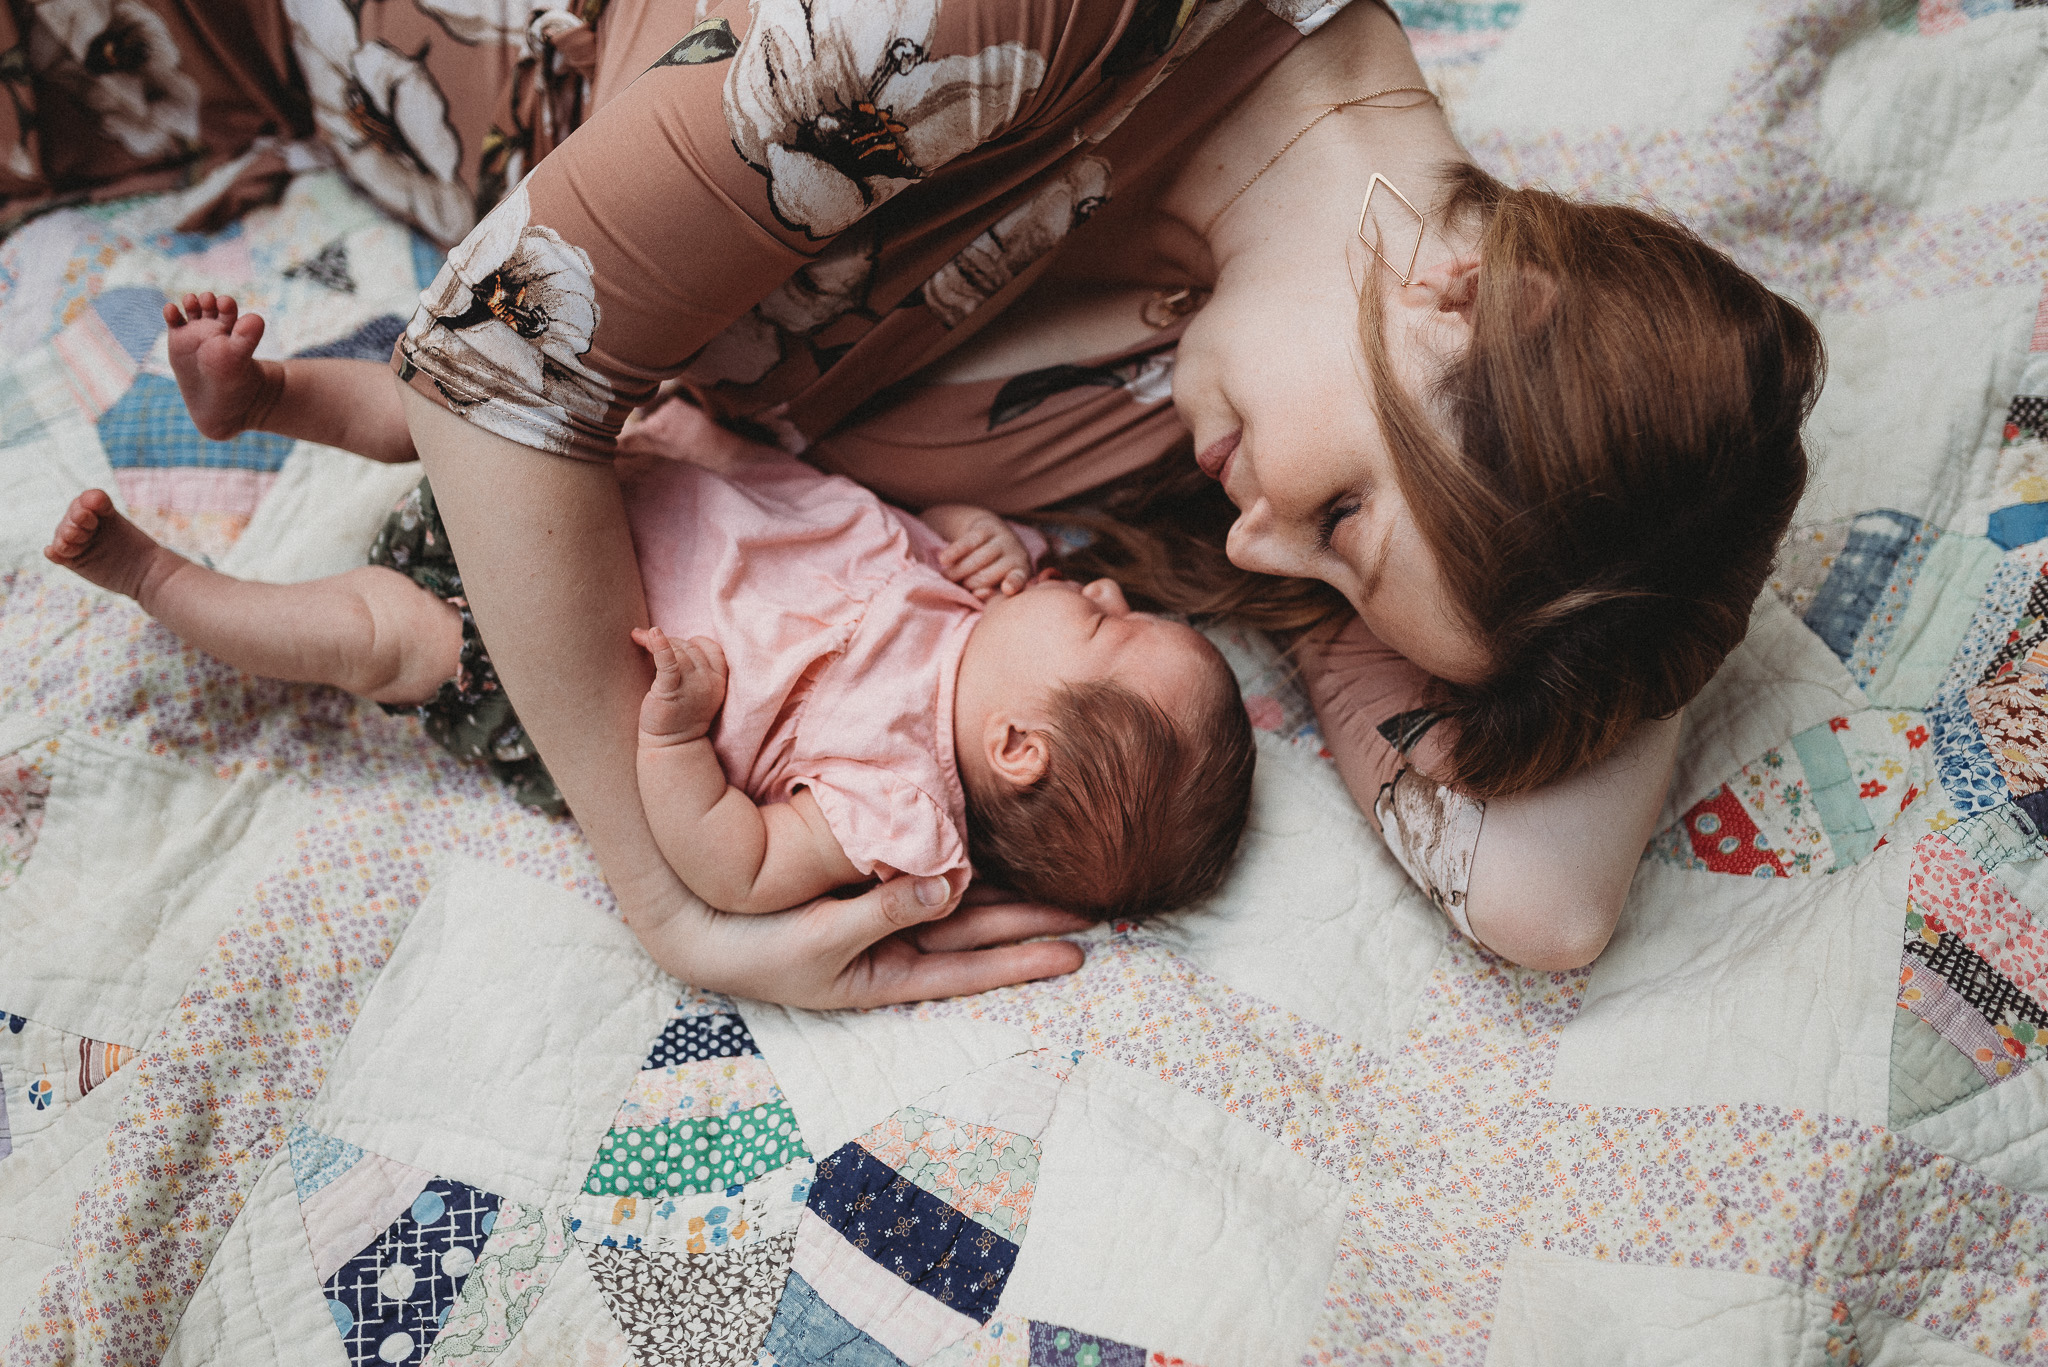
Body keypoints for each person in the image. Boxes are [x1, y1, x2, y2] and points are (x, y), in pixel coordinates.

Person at [211, 0, 1827, 1007]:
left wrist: (1648, 561)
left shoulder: (1222, 391)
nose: (1252, 552)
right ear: (1456, 297)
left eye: (1327, 578)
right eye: (1338, 520)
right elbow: (487, 370)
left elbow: (1538, 901)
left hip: (255, 89)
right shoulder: (1020, 21)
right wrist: (669, 900)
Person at [42, 295, 1256, 924]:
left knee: (376, 634)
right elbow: (970, 535)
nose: (1098, 587)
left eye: (1105, 623)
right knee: (447, 409)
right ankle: (261, 394)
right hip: (600, 481)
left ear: (1015, 747)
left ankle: (158, 578)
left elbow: (728, 867)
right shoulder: (977, 593)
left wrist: (675, 738)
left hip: (525, 657)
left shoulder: (897, 804)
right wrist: (993, 541)